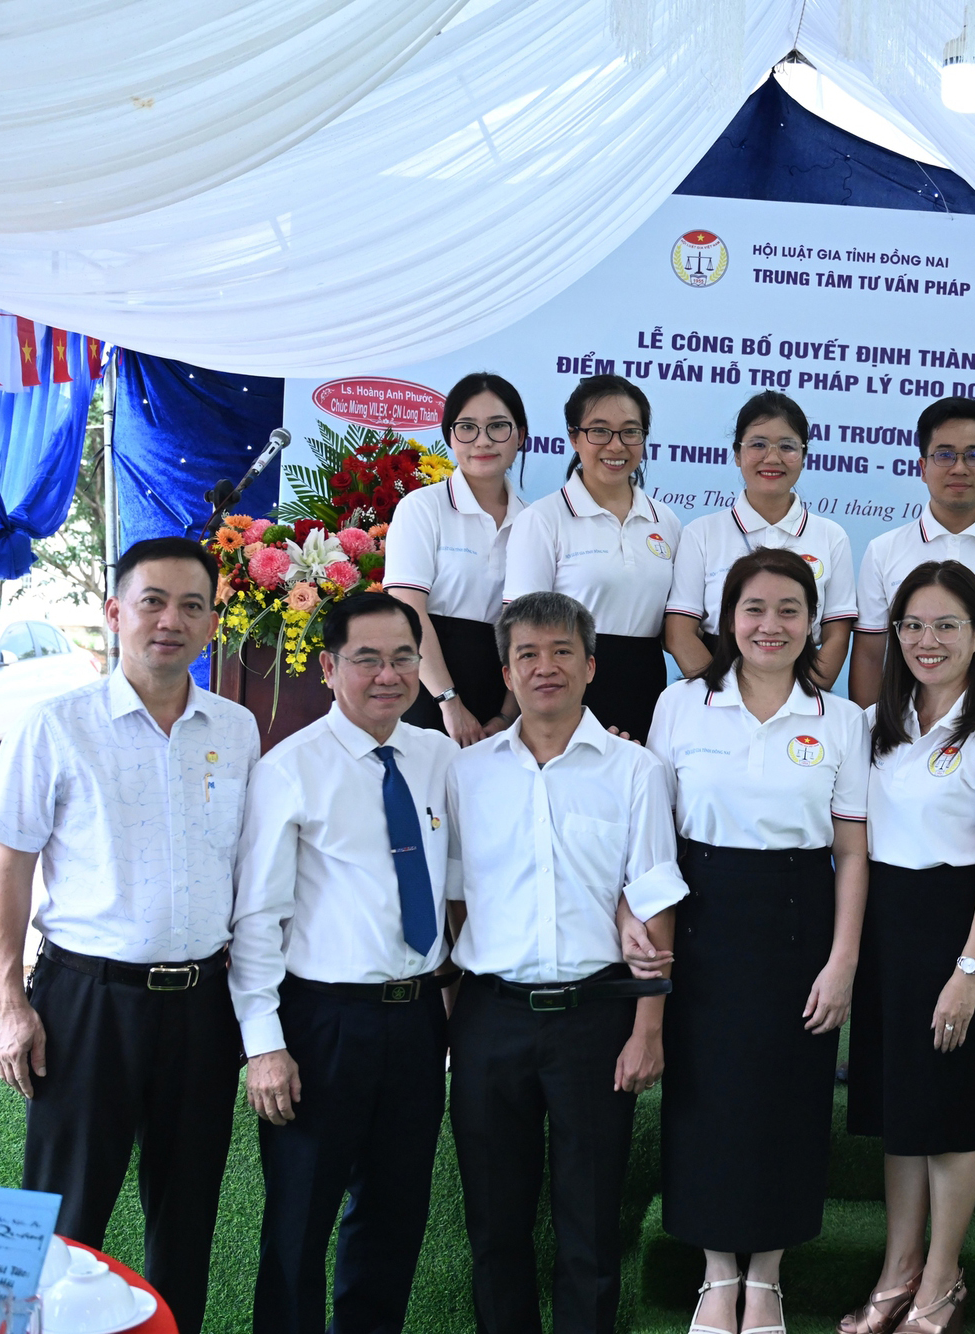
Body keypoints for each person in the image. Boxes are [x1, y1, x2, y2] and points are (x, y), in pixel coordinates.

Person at [0, 536, 259, 1334]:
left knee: (186, 1219)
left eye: (192, 606)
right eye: (152, 602)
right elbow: (7, 868)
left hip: (202, 1005)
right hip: (86, 1002)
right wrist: (8, 1002)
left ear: (212, 624)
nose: (170, 621)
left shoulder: (237, 728)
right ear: (114, 612)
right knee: (59, 1214)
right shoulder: (57, 725)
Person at [446, 591, 685, 1334]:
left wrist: (648, 1028)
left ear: (590, 666)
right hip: (490, 1018)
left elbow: (654, 900)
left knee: (590, 1223)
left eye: (561, 652)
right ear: (506, 673)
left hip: (596, 1018)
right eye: (527, 654)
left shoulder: (636, 770)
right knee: (495, 1223)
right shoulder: (466, 773)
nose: (544, 667)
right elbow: (454, 897)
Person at [648, 547, 871, 1334]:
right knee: (705, 1093)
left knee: (789, 1095)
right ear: (725, 620)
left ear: (814, 623)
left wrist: (843, 960)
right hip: (700, 915)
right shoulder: (680, 705)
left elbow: (851, 854)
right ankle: (717, 1274)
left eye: (789, 610)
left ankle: (767, 1277)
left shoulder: (841, 720)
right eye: (753, 609)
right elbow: (653, 835)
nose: (770, 625)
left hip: (801, 919)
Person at [231, 592, 460, 1333]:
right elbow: (257, 918)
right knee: (299, 1219)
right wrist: (264, 1045)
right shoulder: (291, 768)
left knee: (394, 1216)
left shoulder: (440, 758)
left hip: (417, 1020)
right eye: (367, 659)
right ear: (329, 668)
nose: (388, 675)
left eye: (402, 658)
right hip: (321, 1023)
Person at [843, 560, 975, 1334]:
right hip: (885, 930)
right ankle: (897, 1272)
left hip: (957, 933)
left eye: (947, 625)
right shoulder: (875, 724)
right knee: (901, 1113)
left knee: (948, 1117)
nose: (928, 641)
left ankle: (942, 1282)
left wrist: (969, 973)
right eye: (914, 625)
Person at [503, 374, 683, 741]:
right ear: (574, 437)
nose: (616, 445)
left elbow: (674, 626)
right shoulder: (543, 519)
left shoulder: (665, 521)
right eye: (599, 431)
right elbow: (521, 630)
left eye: (630, 432)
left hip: (647, 689)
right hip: (567, 692)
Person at [849, 397, 975, 709]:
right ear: (922, 467)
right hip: (904, 730)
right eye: (944, 455)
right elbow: (869, 656)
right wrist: (871, 731)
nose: (959, 468)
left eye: (974, 455)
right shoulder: (883, 550)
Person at [664, 391, 857, 690]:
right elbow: (679, 634)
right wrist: (721, 695)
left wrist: (803, 697)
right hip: (715, 686)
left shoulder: (831, 537)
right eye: (758, 444)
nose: (772, 458)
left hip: (801, 687)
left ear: (804, 456)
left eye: (787, 446)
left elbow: (837, 636)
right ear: (737, 454)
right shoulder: (701, 533)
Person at [385, 371, 529, 743]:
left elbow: (529, 626)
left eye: (498, 426)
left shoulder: (534, 522)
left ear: (520, 436)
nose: (482, 440)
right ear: (450, 436)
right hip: (426, 685)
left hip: (501, 691)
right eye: (467, 427)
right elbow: (407, 611)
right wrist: (449, 702)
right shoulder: (422, 508)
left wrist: (508, 714)